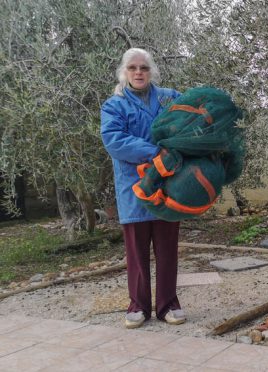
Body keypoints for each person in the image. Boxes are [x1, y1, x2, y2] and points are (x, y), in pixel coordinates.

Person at [100, 48, 185, 329]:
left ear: (152, 72)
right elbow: (114, 140)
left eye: (144, 68)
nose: (139, 72)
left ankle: (168, 305)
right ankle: (138, 306)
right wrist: (156, 152)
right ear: (125, 72)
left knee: (167, 249)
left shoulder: (169, 98)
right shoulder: (115, 105)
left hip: (167, 185)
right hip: (133, 188)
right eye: (133, 68)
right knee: (136, 251)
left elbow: (190, 119)